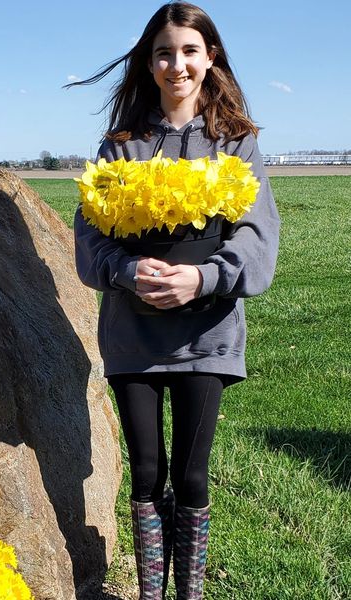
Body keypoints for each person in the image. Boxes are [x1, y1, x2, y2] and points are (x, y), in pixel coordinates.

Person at [68, 2, 280, 599]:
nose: (177, 64)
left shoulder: (235, 145)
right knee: (144, 473)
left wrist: (202, 279)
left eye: (189, 50)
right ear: (150, 61)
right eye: (165, 52)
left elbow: (259, 241)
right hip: (133, 337)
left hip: (206, 338)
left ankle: (189, 594)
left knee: (190, 475)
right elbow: (90, 240)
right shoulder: (121, 147)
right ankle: (150, 594)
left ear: (210, 58)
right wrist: (131, 271)